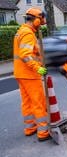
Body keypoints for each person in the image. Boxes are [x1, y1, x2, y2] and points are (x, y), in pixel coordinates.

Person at [13, 7, 50, 141]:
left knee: (27, 102)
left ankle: (30, 128)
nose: (40, 24)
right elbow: (25, 55)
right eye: (40, 21)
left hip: (21, 73)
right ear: (35, 20)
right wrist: (38, 68)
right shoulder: (28, 33)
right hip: (29, 74)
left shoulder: (21, 31)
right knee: (38, 102)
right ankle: (43, 132)